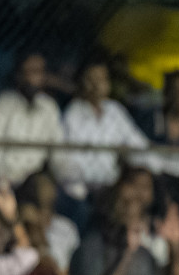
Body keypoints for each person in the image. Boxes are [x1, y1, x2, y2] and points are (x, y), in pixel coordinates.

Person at [52, 58, 153, 201]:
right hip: (84, 190)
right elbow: (70, 162)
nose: (96, 85)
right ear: (81, 83)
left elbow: (139, 146)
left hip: (113, 188)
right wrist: (81, 193)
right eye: (91, 80)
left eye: (101, 79)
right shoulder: (73, 114)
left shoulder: (115, 110)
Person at [0, 52, 64, 186]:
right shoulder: (2, 104)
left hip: (34, 180)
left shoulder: (49, 107)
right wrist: (2, 181)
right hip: (2, 179)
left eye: (37, 71)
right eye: (27, 71)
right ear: (18, 74)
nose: (31, 77)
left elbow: (58, 149)